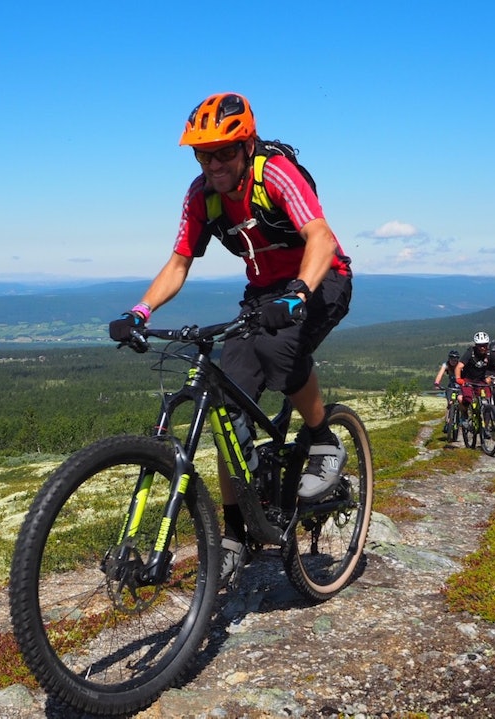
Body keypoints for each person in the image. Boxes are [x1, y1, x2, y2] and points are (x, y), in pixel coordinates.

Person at [108, 92, 354, 587]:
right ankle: (236, 536)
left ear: (245, 145)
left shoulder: (275, 172)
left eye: (223, 151)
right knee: (228, 407)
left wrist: (300, 293)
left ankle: (324, 439)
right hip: (264, 291)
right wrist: (139, 311)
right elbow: (179, 264)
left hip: (322, 278)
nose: (213, 163)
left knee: (282, 349)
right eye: (203, 153)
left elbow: (322, 238)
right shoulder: (202, 195)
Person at [454, 331, 495, 425]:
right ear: (476, 345)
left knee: (486, 400)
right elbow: (459, 367)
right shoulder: (470, 352)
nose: (482, 347)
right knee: (466, 399)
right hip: (468, 379)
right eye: (480, 345)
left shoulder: (490, 354)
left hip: (481, 380)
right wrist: (459, 379)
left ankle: (485, 426)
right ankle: (464, 415)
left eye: (485, 345)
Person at [433, 350, 461, 436]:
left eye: (455, 359)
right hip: (451, 387)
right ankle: (447, 423)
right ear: (449, 359)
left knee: (461, 401)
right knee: (450, 404)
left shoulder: (460, 365)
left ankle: (462, 419)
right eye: (452, 359)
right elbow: (440, 374)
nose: (453, 361)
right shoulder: (446, 365)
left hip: (460, 386)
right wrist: (437, 383)